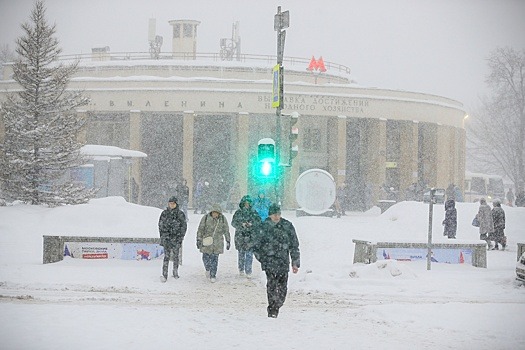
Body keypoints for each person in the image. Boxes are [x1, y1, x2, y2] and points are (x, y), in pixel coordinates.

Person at [253, 204, 300, 318]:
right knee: (272, 286)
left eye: (278, 214)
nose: (277, 217)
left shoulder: (287, 226)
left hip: (283, 262)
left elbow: (294, 245)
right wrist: (263, 259)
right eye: (275, 214)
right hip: (270, 262)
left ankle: (278, 304)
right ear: (270, 215)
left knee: (283, 288)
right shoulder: (263, 227)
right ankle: (272, 309)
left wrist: (295, 262)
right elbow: (256, 245)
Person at [196, 203, 231, 282]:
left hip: (217, 242)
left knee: (215, 258)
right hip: (207, 241)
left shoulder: (222, 219)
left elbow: (226, 230)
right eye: (214, 212)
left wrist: (228, 240)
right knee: (205, 257)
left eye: (217, 212)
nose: (215, 214)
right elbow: (200, 229)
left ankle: (213, 274)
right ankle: (208, 268)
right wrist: (198, 239)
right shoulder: (205, 218)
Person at [158, 196, 187, 282]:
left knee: (175, 256)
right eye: (170, 203)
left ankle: (175, 272)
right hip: (167, 238)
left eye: (173, 203)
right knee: (166, 257)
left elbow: (183, 226)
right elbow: (160, 225)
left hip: (176, 238)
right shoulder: (164, 213)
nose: (171, 205)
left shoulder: (180, 214)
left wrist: (180, 237)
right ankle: (164, 274)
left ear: (176, 204)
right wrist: (163, 236)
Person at [231, 195, 262, 276]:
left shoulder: (254, 212)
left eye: (248, 203)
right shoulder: (238, 213)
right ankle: (241, 268)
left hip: (251, 236)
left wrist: (252, 224)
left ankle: (248, 270)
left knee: (249, 254)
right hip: (240, 236)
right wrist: (241, 224)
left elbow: (258, 222)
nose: (247, 205)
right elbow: (233, 223)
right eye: (245, 203)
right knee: (241, 254)